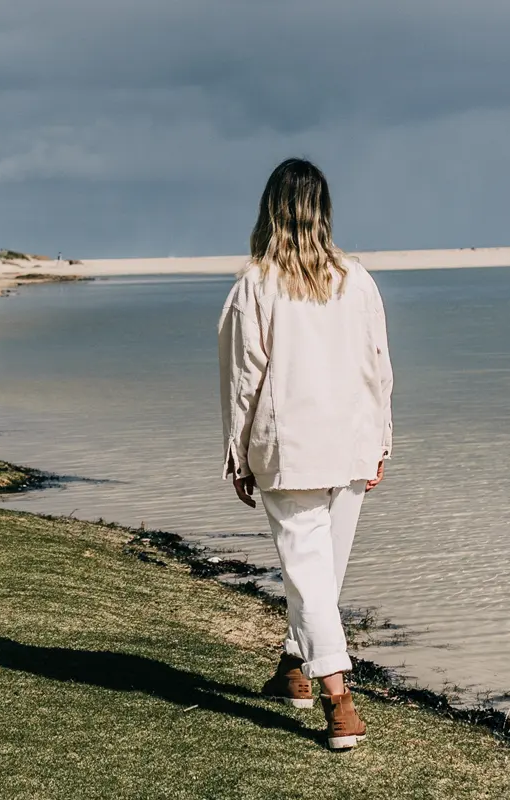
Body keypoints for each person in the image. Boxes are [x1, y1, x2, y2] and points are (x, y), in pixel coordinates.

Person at [218, 158, 393, 751]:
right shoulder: (358, 279)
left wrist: (237, 452)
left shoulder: (256, 285)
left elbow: (244, 380)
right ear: (323, 211)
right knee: (319, 575)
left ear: (271, 209)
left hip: (290, 448)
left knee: (315, 577)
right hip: (347, 444)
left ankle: (338, 702)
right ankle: (296, 671)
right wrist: (380, 439)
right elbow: (379, 371)